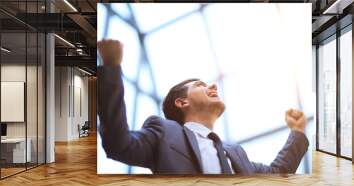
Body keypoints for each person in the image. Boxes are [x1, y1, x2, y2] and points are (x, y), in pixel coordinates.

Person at [97, 39, 309, 175]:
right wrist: (110, 67)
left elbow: (279, 173)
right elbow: (118, 144)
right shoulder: (163, 132)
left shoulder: (236, 153)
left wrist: (297, 131)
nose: (214, 85)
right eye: (201, 85)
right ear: (182, 102)